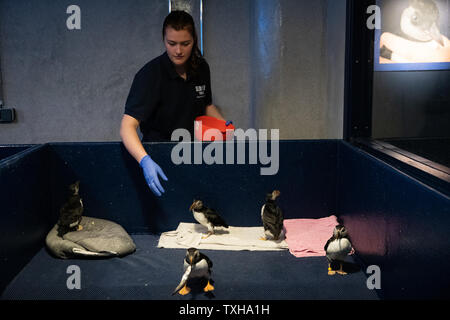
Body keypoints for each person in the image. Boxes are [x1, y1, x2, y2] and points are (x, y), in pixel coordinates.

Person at [120, 11, 232, 197]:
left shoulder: (201, 68)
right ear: (164, 40)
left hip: (190, 151)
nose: (178, 51)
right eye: (172, 43)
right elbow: (127, 126)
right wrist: (145, 161)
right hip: (157, 155)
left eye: (185, 44)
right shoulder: (149, 75)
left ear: (194, 40)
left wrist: (225, 129)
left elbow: (206, 105)